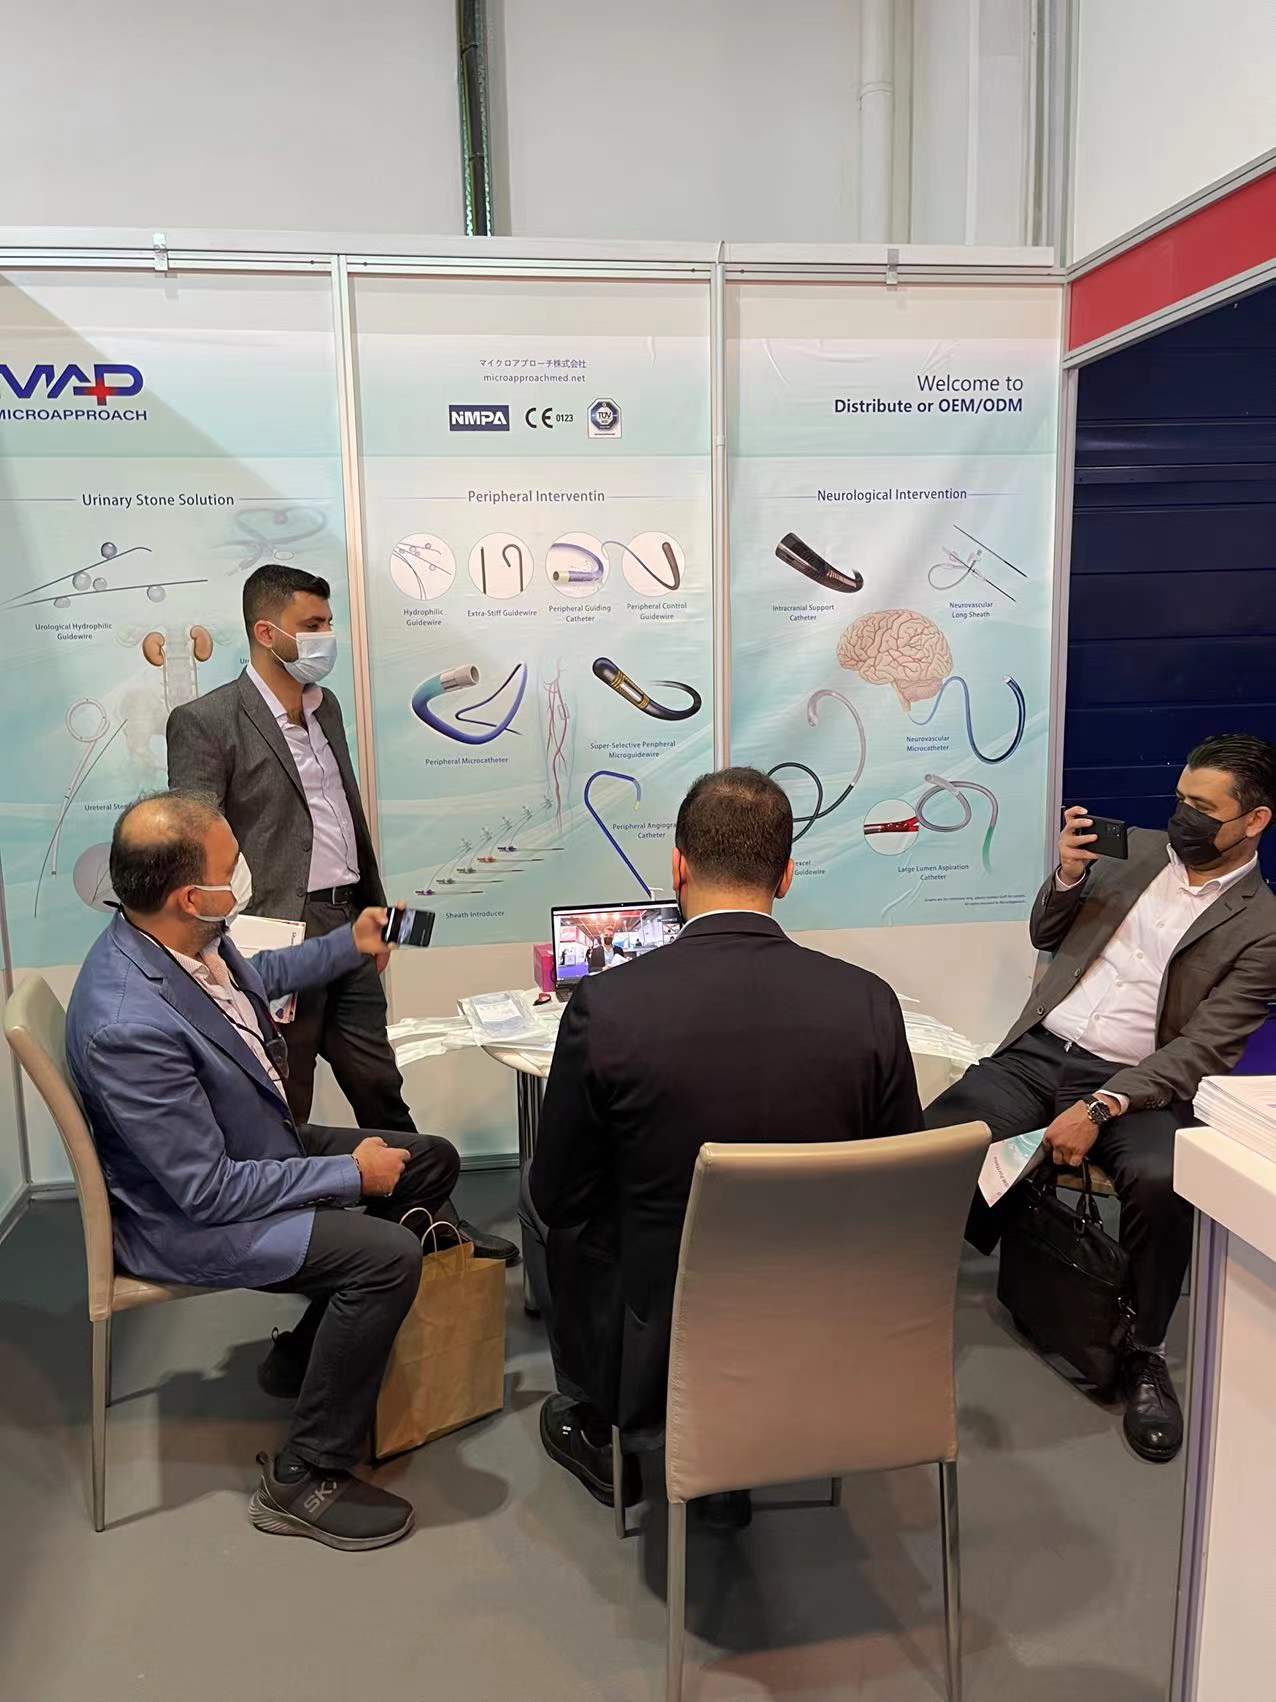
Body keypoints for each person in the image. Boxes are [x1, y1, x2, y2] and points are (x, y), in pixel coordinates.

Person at [67, 792, 470, 1551]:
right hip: (190, 1219)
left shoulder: (177, 941)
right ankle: (303, 1476)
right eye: (232, 866)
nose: (244, 873)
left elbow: (262, 973)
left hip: (250, 1147)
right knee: (388, 1258)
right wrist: (348, 1175)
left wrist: (351, 943)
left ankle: (306, 1356)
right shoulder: (126, 1023)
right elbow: (208, 1192)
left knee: (430, 1162)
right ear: (191, 896)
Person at [520, 767, 922, 1526]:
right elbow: (899, 1186)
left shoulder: (608, 1006)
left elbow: (560, 1195)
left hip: (662, 1324)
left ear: (677, 866)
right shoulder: (868, 1002)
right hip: (820, 1313)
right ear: (788, 874)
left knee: (538, 1198)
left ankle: (599, 1417)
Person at [926, 734, 1276, 1464]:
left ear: (1254, 821)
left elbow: (1203, 1050)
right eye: (1179, 798)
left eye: (1202, 808)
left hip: (1140, 1083)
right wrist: (1068, 875)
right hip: (1040, 1052)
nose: (1180, 817)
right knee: (930, 1144)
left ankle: (1144, 1350)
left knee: (1161, 1180)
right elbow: (1045, 932)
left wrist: (1101, 1106)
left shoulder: (1261, 927)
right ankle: (889, 1291)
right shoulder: (1133, 852)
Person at [166, 562, 516, 1263]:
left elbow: (343, 822)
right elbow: (193, 845)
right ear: (267, 632)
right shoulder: (206, 721)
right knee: (283, 1102)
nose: (327, 636)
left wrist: (375, 915)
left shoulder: (324, 708)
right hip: (274, 941)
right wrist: (220, 950)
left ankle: (432, 1223)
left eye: (328, 622)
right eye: (313, 625)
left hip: (347, 926)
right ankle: (300, 1247)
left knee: (379, 1084)